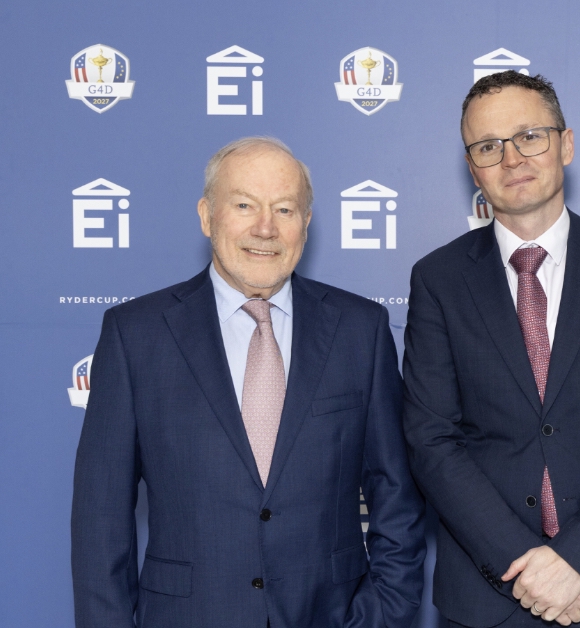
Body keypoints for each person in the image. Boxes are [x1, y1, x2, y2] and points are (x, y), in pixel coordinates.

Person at [71, 137, 426, 628]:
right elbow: (100, 518)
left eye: (284, 208)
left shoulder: (359, 329)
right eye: (244, 205)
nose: (265, 227)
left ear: (305, 223)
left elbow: (396, 494)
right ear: (206, 215)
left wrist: (384, 614)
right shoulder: (136, 334)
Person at [401, 71, 580, 628]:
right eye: (488, 146)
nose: (512, 158)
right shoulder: (437, 279)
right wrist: (535, 571)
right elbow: (432, 440)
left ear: (566, 144)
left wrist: (578, 559)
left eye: (530, 136)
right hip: (491, 595)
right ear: (472, 167)